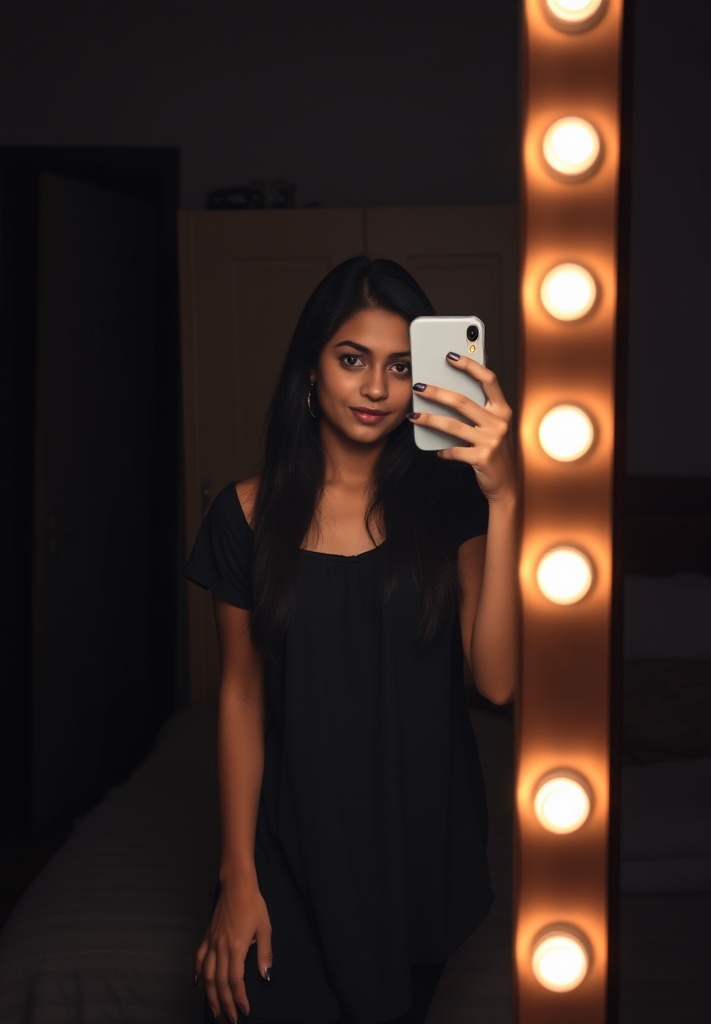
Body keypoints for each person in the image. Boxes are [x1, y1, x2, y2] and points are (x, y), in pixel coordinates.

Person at [185, 256, 516, 1024]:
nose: (376, 389)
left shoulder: (451, 505)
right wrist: (238, 876)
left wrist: (506, 498)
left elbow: (496, 681)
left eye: (401, 367)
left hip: (417, 841)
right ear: (310, 371)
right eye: (352, 360)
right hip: (291, 842)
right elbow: (239, 693)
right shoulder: (243, 516)